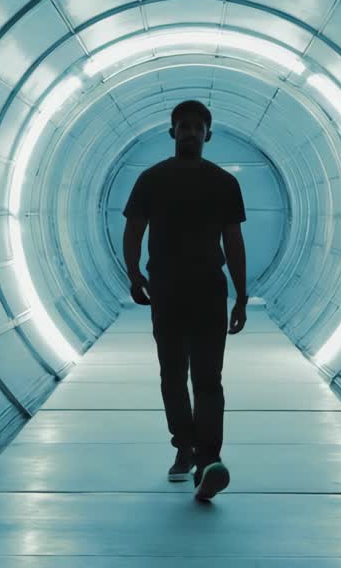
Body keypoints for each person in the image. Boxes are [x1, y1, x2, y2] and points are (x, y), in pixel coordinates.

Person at [121, 99, 247, 502]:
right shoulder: (151, 179)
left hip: (210, 289)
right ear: (172, 131)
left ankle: (209, 461)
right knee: (173, 374)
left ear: (208, 133)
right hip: (167, 289)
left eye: (197, 126)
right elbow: (134, 230)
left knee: (207, 379)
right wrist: (134, 273)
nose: (191, 132)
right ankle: (185, 448)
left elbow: (233, 240)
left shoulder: (225, 183)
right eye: (184, 126)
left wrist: (242, 295)